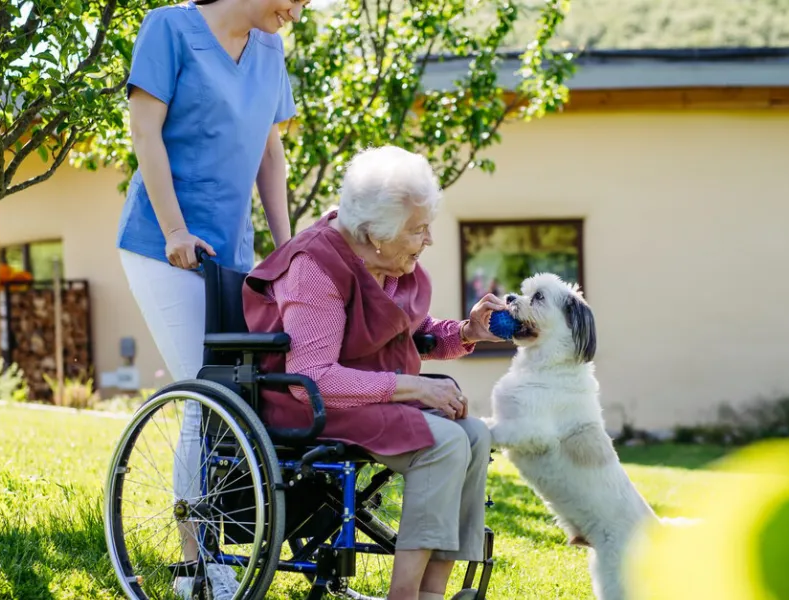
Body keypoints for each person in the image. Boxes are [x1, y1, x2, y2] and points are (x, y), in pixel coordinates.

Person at [243, 146, 508, 600]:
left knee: (474, 434)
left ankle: (434, 591)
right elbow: (314, 380)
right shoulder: (315, 266)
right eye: (418, 230)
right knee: (441, 444)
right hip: (310, 402)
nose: (428, 240)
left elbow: (415, 334)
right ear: (377, 232)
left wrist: (469, 331)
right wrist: (416, 388)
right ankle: (405, 595)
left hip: (371, 396)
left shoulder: (388, 262)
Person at [115, 0, 309, 597]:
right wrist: (175, 229)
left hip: (232, 254)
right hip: (162, 243)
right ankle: (196, 566)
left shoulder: (270, 48)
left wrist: (290, 252)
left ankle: (220, 548)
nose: (299, 11)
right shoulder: (169, 28)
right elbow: (144, 131)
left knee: (239, 398)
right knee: (204, 393)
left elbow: (269, 155)